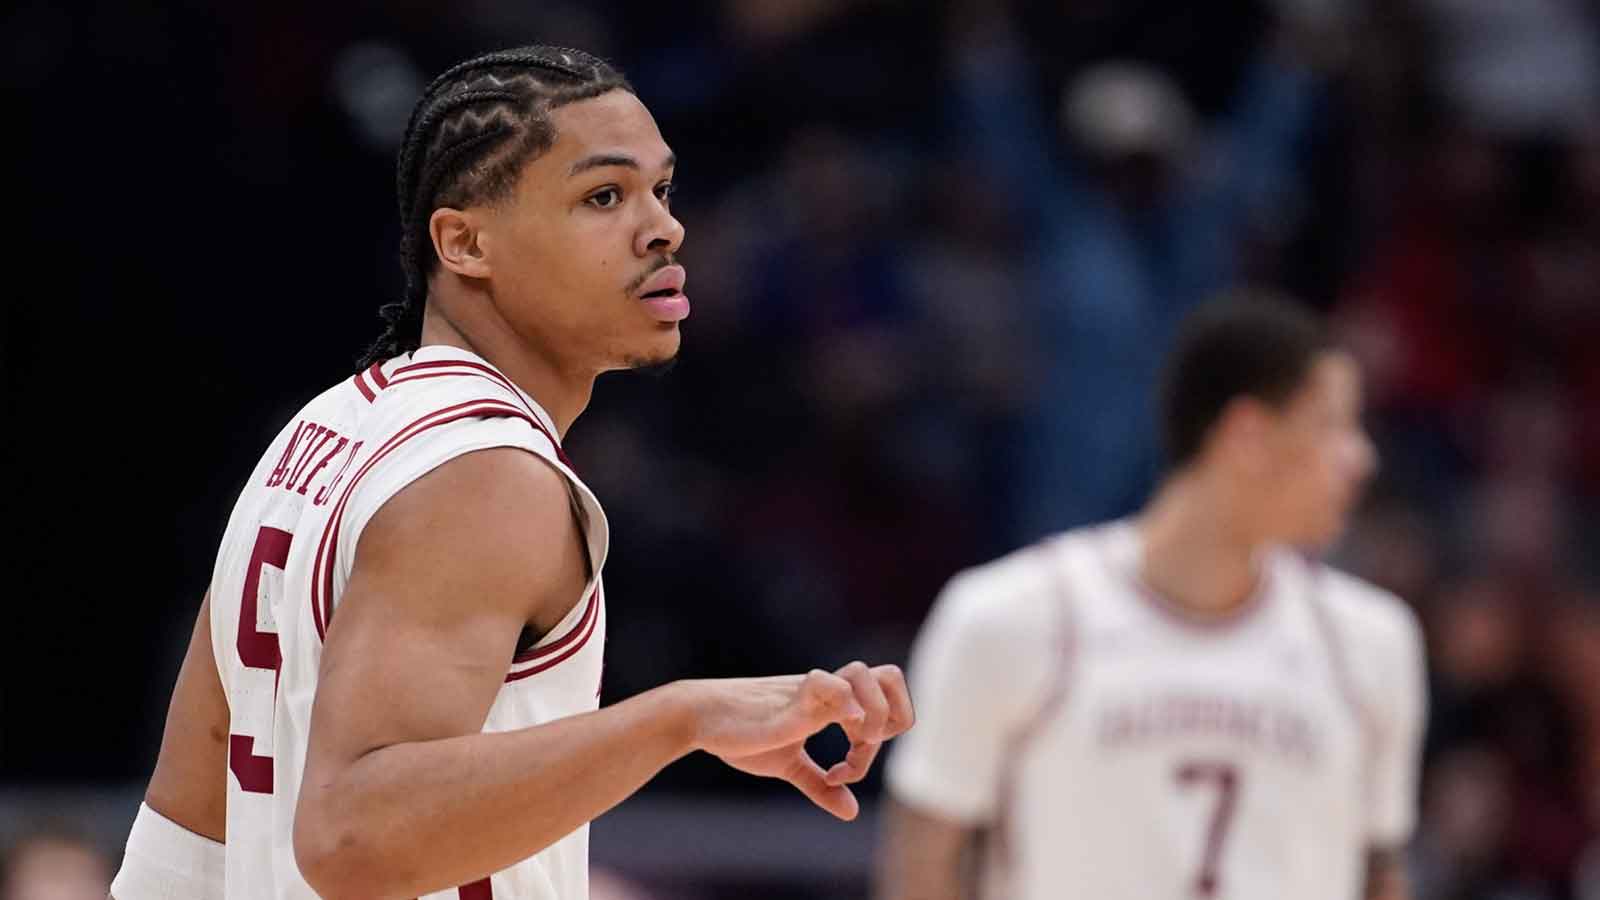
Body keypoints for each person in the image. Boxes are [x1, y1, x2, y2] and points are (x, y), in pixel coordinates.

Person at [111, 45, 913, 900]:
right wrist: (682, 718)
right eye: (603, 196)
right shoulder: (485, 473)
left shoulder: (321, 430)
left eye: (662, 190)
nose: (663, 228)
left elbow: (176, 843)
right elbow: (352, 839)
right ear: (464, 241)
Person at [878, 296, 1425, 900]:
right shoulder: (1011, 616)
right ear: (1248, 435)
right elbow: (924, 859)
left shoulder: (1374, 640)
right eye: (1333, 425)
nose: (1361, 458)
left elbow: (1380, 872)